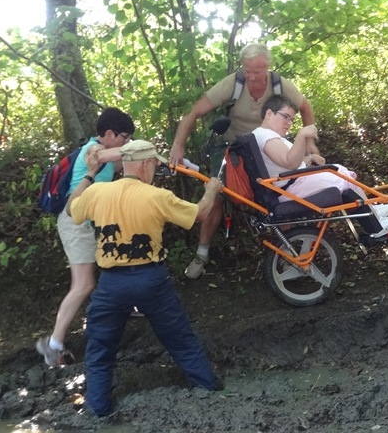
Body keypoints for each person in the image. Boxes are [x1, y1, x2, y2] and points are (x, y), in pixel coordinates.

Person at [67, 139, 224, 417]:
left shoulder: (97, 193)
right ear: (146, 164)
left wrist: (90, 174)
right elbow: (200, 214)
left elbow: (71, 209)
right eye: (155, 164)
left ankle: (98, 410)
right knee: (180, 339)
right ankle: (208, 391)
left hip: (111, 283)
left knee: (100, 347)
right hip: (151, 280)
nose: (155, 169)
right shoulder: (156, 196)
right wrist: (211, 190)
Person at [169, 43, 319, 279]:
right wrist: (178, 145)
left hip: (267, 145)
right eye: (247, 70)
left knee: (281, 192)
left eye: (257, 71)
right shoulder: (233, 83)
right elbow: (194, 111)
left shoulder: (279, 84)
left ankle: (291, 248)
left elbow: (305, 107)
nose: (251, 76)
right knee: (215, 193)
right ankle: (202, 253)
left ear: (267, 67)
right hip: (233, 146)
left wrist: (310, 145)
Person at [36, 107, 135, 366]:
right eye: (125, 136)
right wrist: (139, 148)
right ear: (109, 134)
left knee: (117, 263)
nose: (127, 141)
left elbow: (128, 163)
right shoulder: (92, 151)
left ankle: (128, 307)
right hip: (75, 222)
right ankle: (53, 344)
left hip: (94, 223)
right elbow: (113, 155)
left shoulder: (109, 154)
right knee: (83, 284)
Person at [253, 94, 388, 237]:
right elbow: (289, 162)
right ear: (269, 114)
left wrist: (311, 157)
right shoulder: (266, 136)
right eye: (286, 117)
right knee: (341, 176)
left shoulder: (266, 136)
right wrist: (301, 135)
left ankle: (373, 211)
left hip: (290, 185)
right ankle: (377, 226)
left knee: (339, 170)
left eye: (291, 119)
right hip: (289, 190)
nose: (289, 123)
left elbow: (286, 164)